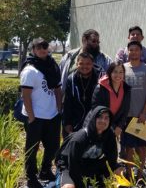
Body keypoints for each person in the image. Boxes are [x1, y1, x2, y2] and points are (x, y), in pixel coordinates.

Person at [20, 38, 62, 188]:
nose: (42, 49)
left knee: (53, 146)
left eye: (45, 46)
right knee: (32, 148)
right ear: (33, 50)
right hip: (36, 116)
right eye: (38, 47)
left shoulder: (52, 66)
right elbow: (25, 95)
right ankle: (31, 176)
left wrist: (59, 109)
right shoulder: (30, 70)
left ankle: (45, 170)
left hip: (52, 114)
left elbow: (57, 89)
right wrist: (31, 117)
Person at [56, 106, 121, 188]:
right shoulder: (80, 138)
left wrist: (104, 182)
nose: (103, 121)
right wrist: (81, 185)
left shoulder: (109, 135)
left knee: (119, 171)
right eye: (100, 117)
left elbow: (112, 159)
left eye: (106, 118)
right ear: (94, 119)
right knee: (69, 187)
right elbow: (73, 166)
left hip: (91, 165)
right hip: (69, 167)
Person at [121, 41, 146, 180]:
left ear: (141, 52)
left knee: (141, 148)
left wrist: (144, 112)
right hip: (127, 116)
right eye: (131, 50)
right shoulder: (122, 68)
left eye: (136, 50)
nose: (133, 52)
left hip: (142, 115)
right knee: (128, 148)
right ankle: (129, 176)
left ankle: (140, 175)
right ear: (127, 52)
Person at [62, 52, 99, 138]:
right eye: (81, 63)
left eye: (88, 64)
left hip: (94, 120)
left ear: (93, 64)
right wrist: (67, 123)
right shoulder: (71, 79)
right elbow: (67, 102)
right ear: (77, 64)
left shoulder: (99, 78)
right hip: (75, 121)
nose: (85, 67)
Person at [91, 62, 131, 138]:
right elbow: (96, 109)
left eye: (121, 72)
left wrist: (119, 127)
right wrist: (113, 127)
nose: (118, 75)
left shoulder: (126, 89)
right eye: (115, 72)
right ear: (110, 73)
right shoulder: (100, 88)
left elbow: (126, 110)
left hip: (117, 129)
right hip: (100, 126)